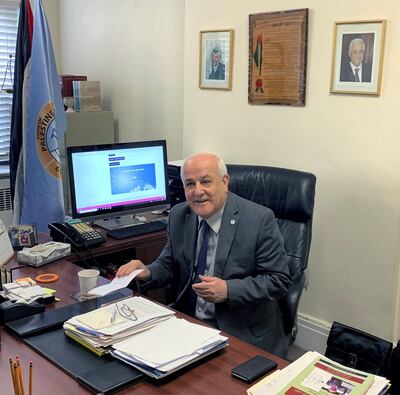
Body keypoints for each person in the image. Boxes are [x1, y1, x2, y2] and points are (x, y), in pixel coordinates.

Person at [117, 153, 292, 354]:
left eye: (206, 182)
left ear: (224, 182)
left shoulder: (259, 220)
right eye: (190, 184)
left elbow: (279, 280)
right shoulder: (179, 215)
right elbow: (169, 264)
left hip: (238, 330)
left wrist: (228, 290)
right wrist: (147, 271)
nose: (197, 191)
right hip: (188, 322)